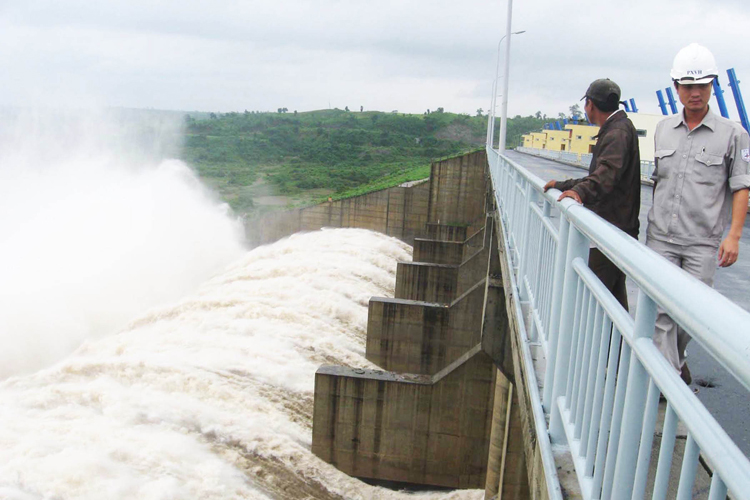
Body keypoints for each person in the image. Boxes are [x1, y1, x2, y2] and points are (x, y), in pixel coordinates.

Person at [647, 43, 750, 383]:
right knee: (661, 312)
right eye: (688, 86)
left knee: (690, 316)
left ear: (712, 87)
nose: (695, 93)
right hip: (661, 237)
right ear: (676, 88)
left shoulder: (734, 134)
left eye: (702, 86)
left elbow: (741, 187)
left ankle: (672, 366)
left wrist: (733, 236)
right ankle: (668, 382)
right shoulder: (663, 129)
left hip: (701, 243)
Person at [543, 78, 641, 310]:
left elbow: (605, 175)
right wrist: (564, 184)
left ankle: (600, 347)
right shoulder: (619, 128)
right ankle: (616, 347)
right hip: (618, 230)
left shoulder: (617, 133)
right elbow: (600, 175)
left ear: (590, 105)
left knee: (594, 306)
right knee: (613, 307)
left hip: (611, 232)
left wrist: (578, 191)